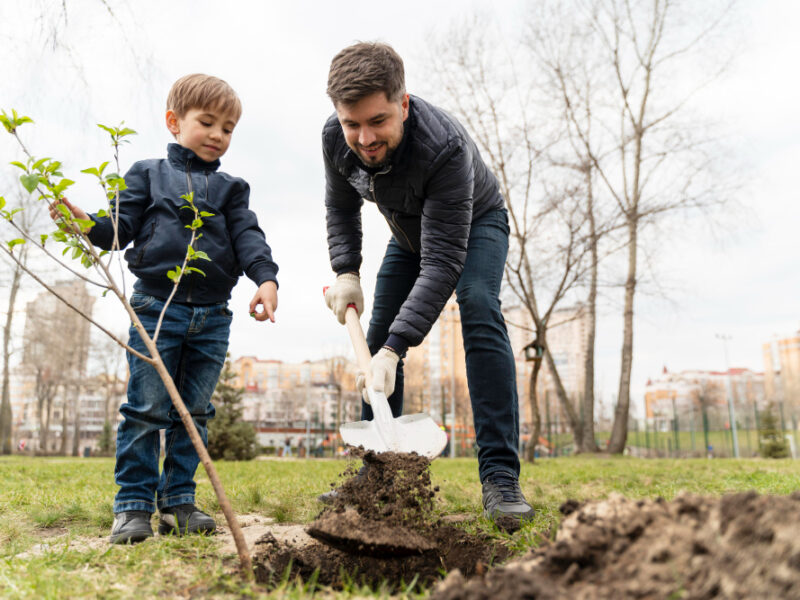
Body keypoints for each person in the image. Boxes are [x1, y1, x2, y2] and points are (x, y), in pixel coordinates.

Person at [50, 74, 279, 544]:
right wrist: (85, 223)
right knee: (146, 408)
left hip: (213, 316)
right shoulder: (147, 173)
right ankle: (132, 507)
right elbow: (118, 229)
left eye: (229, 128)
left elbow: (249, 237)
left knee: (194, 412)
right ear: (175, 122)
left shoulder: (232, 189)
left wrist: (266, 279)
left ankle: (179, 502)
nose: (219, 135)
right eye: (208, 122)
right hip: (157, 307)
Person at [320, 42, 534, 528]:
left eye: (378, 121)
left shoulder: (444, 147)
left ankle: (500, 477)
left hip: (475, 223)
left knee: (478, 306)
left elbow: (441, 263)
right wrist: (346, 272)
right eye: (353, 123)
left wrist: (398, 350)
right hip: (407, 229)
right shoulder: (335, 137)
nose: (365, 137)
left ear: (404, 103)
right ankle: (376, 477)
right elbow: (340, 207)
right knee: (376, 335)